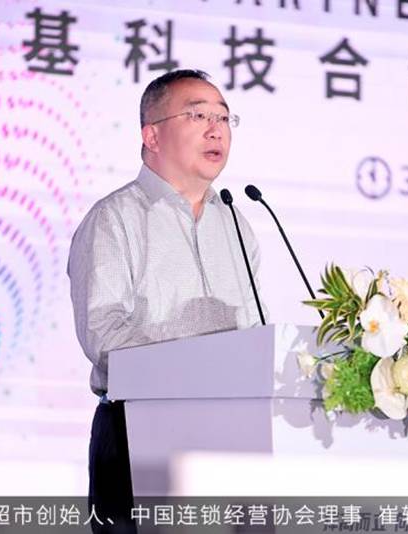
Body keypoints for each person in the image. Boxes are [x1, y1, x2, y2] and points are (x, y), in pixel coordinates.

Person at [67, 69, 265, 532]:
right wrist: (200, 350)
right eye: (198, 115)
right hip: (138, 431)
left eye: (224, 117)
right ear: (151, 135)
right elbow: (104, 338)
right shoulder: (114, 218)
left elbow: (255, 331)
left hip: (231, 435)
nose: (216, 130)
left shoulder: (236, 223)